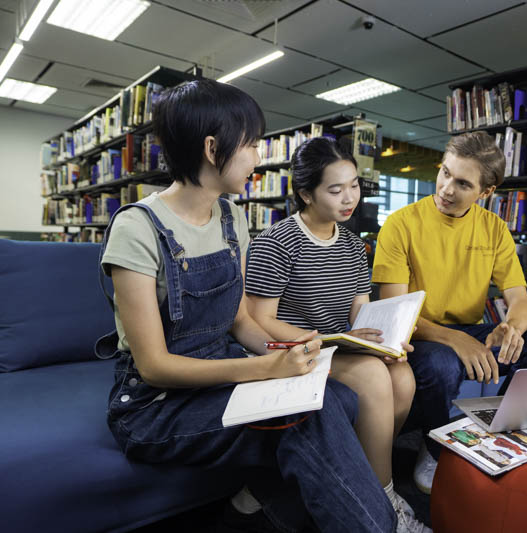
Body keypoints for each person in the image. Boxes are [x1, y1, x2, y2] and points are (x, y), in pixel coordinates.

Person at [97, 78, 396, 533]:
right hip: (155, 403)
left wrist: (292, 353)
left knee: (335, 394)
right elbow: (155, 366)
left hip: (221, 372)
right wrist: (264, 370)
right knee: (302, 416)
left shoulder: (232, 217)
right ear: (213, 148)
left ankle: (253, 505)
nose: (259, 156)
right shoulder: (137, 228)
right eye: (253, 144)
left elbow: (240, 322)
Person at [245, 136, 428, 533]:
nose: (350, 198)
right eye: (335, 189)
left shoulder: (350, 244)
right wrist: (325, 340)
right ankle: (383, 498)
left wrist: (387, 339)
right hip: (291, 349)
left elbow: (360, 310)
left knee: (403, 375)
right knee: (374, 376)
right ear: (306, 194)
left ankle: (359, 481)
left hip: (338, 346)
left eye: (354, 185)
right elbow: (260, 320)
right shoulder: (276, 243)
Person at [371, 131, 527, 494]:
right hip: (420, 335)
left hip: (471, 333)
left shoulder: (494, 228)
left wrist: (510, 327)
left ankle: (506, 428)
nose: (447, 188)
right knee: (441, 364)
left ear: (486, 192)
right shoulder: (401, 223)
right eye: (445, 173)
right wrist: (455, 339)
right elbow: (395, 312)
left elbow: (520, 300)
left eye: (462, 183)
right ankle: (433, 449)